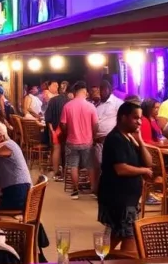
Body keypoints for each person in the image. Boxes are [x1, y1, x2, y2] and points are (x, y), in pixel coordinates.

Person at [98, 102, 154, 251]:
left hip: (128, 199)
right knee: (129, 237)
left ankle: (99, 260)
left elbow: (149, 162)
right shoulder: (115, 139)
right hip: (118, 199)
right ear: (123, 117)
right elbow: (121, 169)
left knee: (117, 236)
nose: (140, 122)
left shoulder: (129, 138)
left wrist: (140, 141)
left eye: (140, 118)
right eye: (135, 118)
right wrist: (143, 171)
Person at [0, 121, 32, 210]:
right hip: (19, 193)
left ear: (0, 136)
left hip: (18, 195)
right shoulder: (10, 145)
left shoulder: (6, 146)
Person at [59, 82, 99, 200]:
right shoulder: (91, 106)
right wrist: (93, 135)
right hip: (87, 141)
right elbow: (96, 125)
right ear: (84, 91)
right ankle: (92, 189)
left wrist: (68, 133)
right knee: (90, 166)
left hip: (72, 141)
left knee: (73, 165)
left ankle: (75, 191)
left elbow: (63, 124)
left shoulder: (67, 106)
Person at [93, 80, 122, 193]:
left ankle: (111, 190)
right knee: (100, 165)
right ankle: (101, 189)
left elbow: (122, 120)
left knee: (111, 164)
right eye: (101, 89)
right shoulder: (98, 104)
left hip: (111, 139)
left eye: (104, 89)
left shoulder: (117, 103)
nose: (102, 91)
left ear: (110, 90)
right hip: (98, 140)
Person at [42, 87, 72, 182]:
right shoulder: (70, 101)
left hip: (56, 129)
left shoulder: (53, 100)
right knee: (68, 151)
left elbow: (48, 118)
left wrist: (52, 131)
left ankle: (56, 172)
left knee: (56, 149)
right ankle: (67, 172)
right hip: (67, 129)